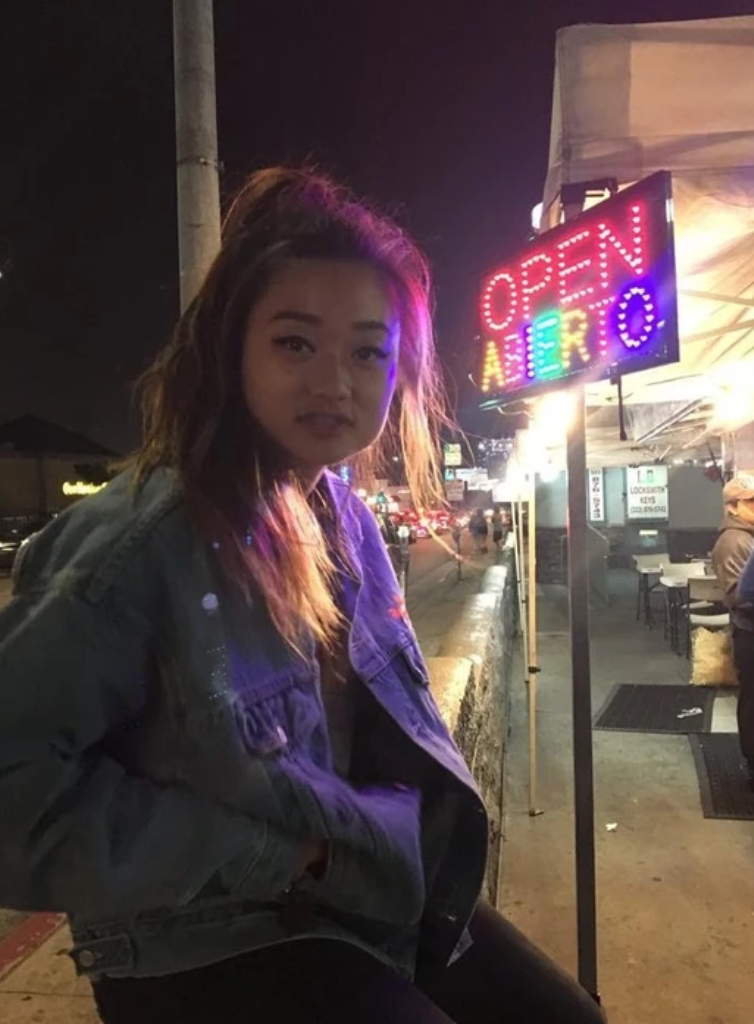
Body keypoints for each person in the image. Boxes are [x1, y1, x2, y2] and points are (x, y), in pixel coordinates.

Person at [0, 167, 604, 1024]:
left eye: (367, 351)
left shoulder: (344, 520)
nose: (334, 382)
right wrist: (284, 855)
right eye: (295, 343)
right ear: (230, 349)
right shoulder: (140, 544)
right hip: (205, 936)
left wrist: (354, 854)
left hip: (355, 885)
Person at [711, 472, 754, 788]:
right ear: (733, 506)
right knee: (752, 699)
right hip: (749, 631)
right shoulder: (734, 541)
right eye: (751, 501)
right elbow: (739, 596)